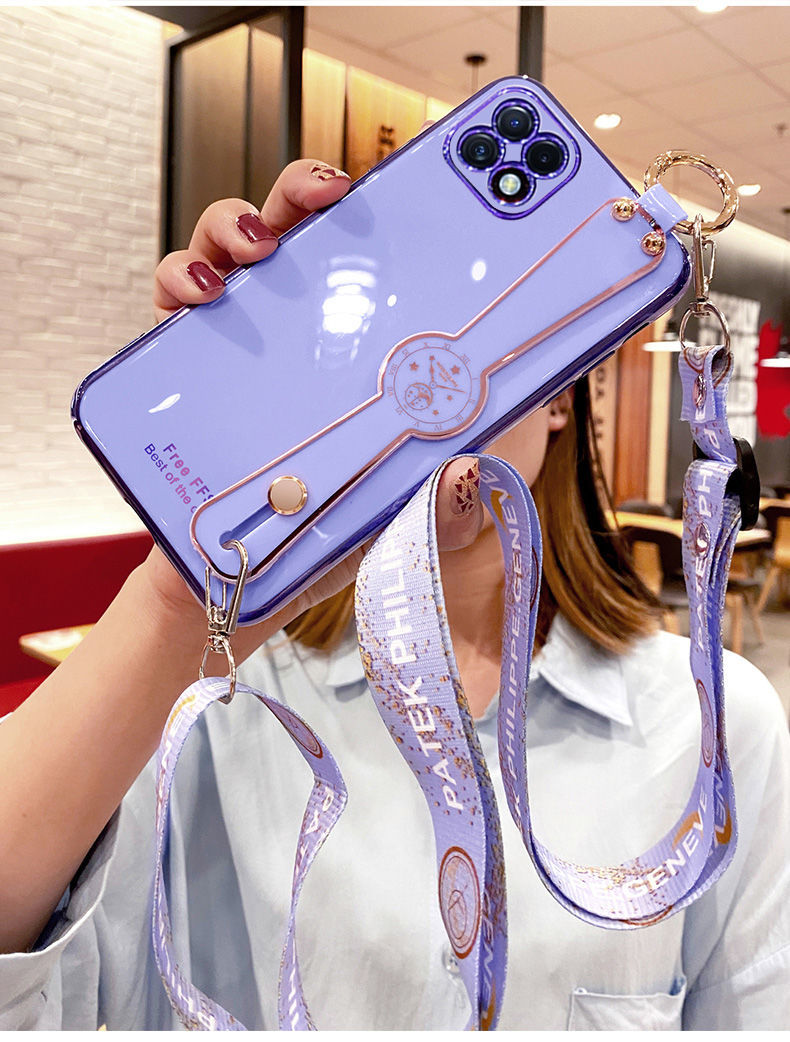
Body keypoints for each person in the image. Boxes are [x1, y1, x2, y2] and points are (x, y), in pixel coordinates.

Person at [0, 160, 788, 1031]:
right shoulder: (215, 710)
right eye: (379, 342)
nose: (425, 387)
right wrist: (183, 601)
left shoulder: (713, 723)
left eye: (475, 330)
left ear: (561, 394)